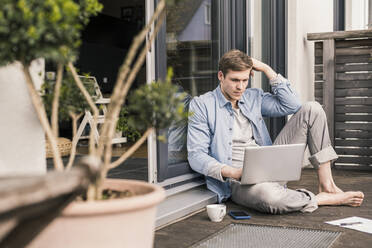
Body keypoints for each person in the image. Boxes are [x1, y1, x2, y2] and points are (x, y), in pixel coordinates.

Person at [187, 49, 364, 214]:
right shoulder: (203, 105)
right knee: (269, 198)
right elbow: (196, 156)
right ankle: (319, 199)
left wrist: (266, 69)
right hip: (238, 181)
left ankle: (327, 186)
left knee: (312, 109)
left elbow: (293, 105)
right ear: (221, 76)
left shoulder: (252, 97)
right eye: (234, 80)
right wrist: (234, 172)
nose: (240, 87)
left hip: (270, 167)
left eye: (245, 80)